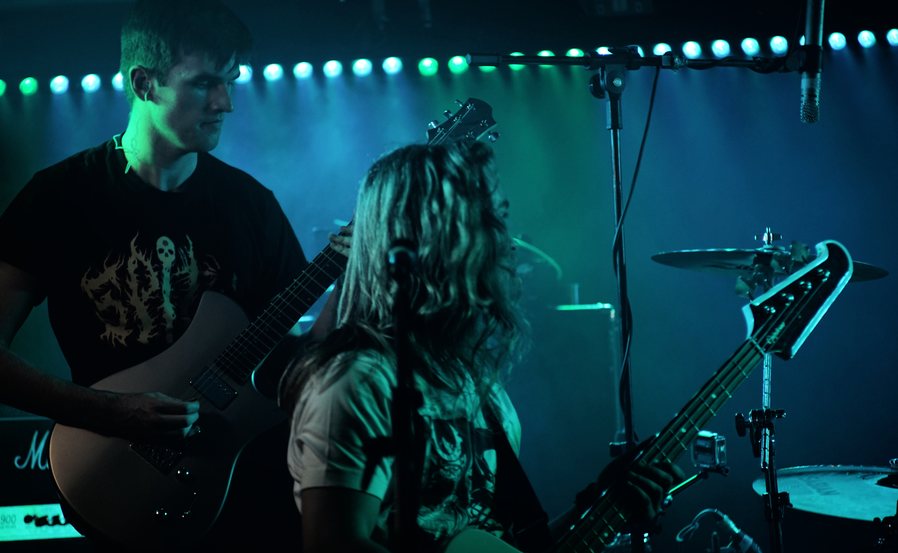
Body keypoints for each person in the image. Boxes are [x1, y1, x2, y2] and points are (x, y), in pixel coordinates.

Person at [0, 0, 348, 551]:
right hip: (117, 479)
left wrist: (348, 278)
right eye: (204, 83)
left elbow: (300, 359)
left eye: (230, 81)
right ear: (144, 83)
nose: (226, 103)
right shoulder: (59, 198)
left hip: (248, 485)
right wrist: (112, 413)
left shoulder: (251, 205)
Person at [281, 140, 684, 553]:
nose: (510, 242)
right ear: (437, 238)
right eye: (492, 218)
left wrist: (599, 503)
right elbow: (333, 543)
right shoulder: (360, 381)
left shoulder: (480, 388)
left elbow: (502, 543)